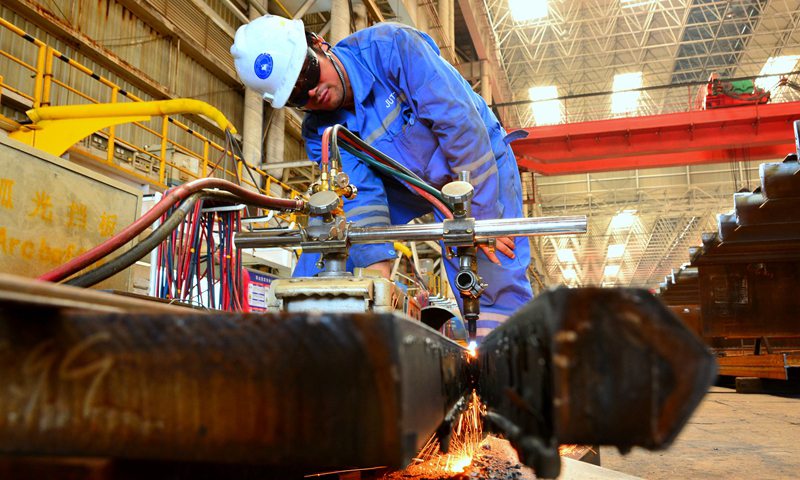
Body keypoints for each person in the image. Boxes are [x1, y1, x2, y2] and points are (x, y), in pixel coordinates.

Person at [231, 15, 532, 342]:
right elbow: (361, 201)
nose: (312, 92)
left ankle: (508, 365)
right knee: (326, 256)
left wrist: (482, 218)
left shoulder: (391, 48)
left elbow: (461, 126)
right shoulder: (322, 132)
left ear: (319, 43)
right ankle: (309, 355)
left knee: (489, 267)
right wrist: (373, 295)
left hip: (477, 161)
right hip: (405, 185)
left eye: (308, 73)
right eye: (296, 94)